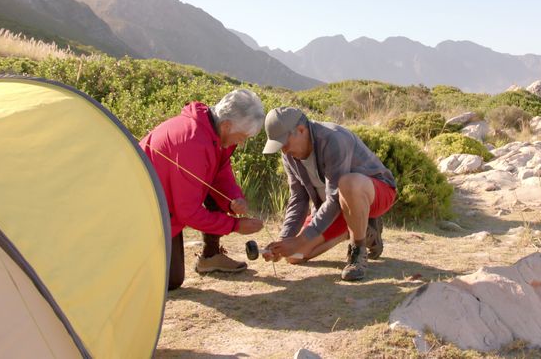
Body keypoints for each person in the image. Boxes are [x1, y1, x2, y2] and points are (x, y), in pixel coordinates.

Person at [139, 89, 266, 290]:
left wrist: (234, 199)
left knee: (171, 279)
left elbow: (220, 172)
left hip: (166, 205)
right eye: (241, 137)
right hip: (144, 213)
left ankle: (211, 256)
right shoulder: (192, 143)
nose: (241, 143)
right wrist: (235, 226)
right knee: (169, 282)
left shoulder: (213, 131)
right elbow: (188, 212)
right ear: (227, 125)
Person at [260, 107, 397, 281]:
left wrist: (302, 238)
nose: (284, 151)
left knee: (348, 183)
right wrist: (284, 241)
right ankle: (351, 230)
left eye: (284, 143)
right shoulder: (289, 155)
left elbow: (334, 197)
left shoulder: (334, 138)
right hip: (337, 208)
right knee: (294, 255)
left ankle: (357, 251)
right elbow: (299, 198)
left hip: (376, 193)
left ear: (301, 130)